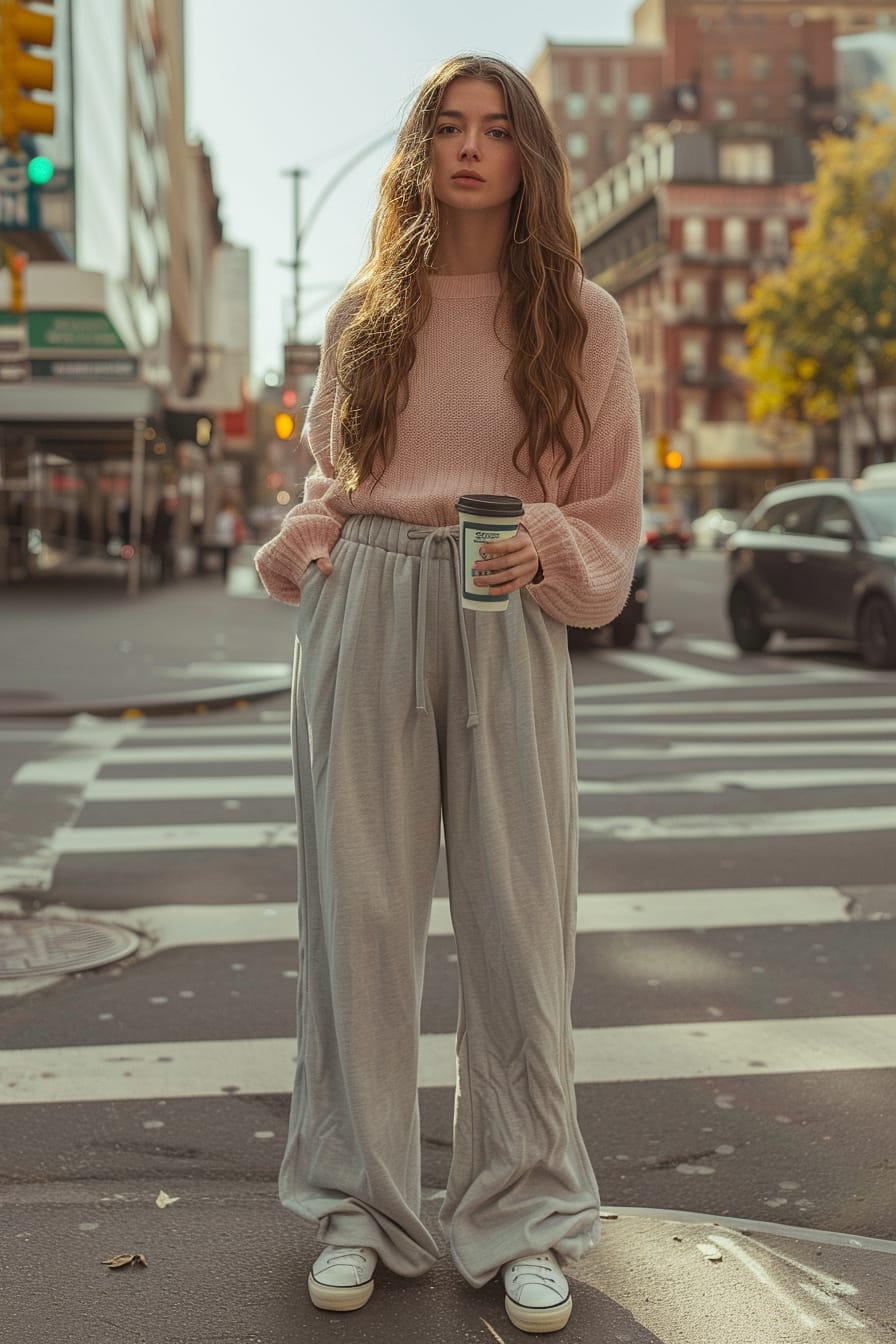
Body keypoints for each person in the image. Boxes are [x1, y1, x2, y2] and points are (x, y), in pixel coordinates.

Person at [255, 53, 642, 1334]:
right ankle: (357, 1208)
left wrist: (552, 547)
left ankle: (522, 1214)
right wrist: (308, 537)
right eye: (445, 127)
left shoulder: (582, 319)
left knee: (517, 930)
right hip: (364, 603)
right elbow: (341, 473)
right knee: (353, 927)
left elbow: (610, 517)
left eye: (494, 129)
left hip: (504, 604)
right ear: (419, 151)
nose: (469, 149)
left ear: (528, 154)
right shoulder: (365, 308)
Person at [213, 496, 245, 580]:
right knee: (226, 557)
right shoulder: (228, 515)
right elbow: (225, 527)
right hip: (226, 539)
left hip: (226, 539)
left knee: (226, 557)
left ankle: (226, 574)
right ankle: (225, 575)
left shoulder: (226, 515)